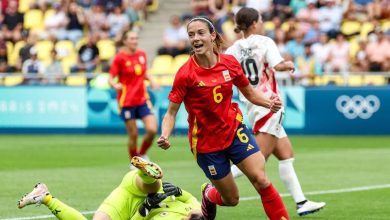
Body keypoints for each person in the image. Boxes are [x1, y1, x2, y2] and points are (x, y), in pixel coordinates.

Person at [157, 16, 289, 220]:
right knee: (232, 199)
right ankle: (209, 194)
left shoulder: (229, 63)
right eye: (191, 35)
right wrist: (165, 135)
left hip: (234, 129)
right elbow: (171, 112)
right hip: (206, 142)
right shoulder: (185, 74)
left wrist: (269, 103)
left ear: (212, 36)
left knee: (261, 179)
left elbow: (251, 94)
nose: (195, 38)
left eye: (200, 33)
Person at [225, 7, 326, 216]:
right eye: (260, 20)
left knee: (286, 155)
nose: (262, 23)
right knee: (257, 161)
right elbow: (278, 65)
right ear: (254, 23)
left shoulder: (233, 49)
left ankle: (301, 202)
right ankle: (215, 184)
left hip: (252, 104)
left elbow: (223, 70)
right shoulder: (265, 42)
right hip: (270, 105)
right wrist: (288, 64)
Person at [17, 156, 205, 220]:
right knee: (153, 186)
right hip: (142, 189)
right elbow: (191, 200)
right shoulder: (197, 211)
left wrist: (144, 209)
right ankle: (146, 173)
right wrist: (181, 192)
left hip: (129, 205)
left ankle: (45, 197)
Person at [109, 31, 158, 167]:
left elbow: (144, 72)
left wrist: (152, 80)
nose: (135, 41)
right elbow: (111, 78)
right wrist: (115, 84)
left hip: (142, 99)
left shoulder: (142, 54)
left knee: (152, 129)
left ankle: (142, 154)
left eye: (136, 38)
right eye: (131, 38)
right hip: (126, 102)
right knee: (134, 134)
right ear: (125, 41)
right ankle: (134, 161)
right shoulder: (120, 58)